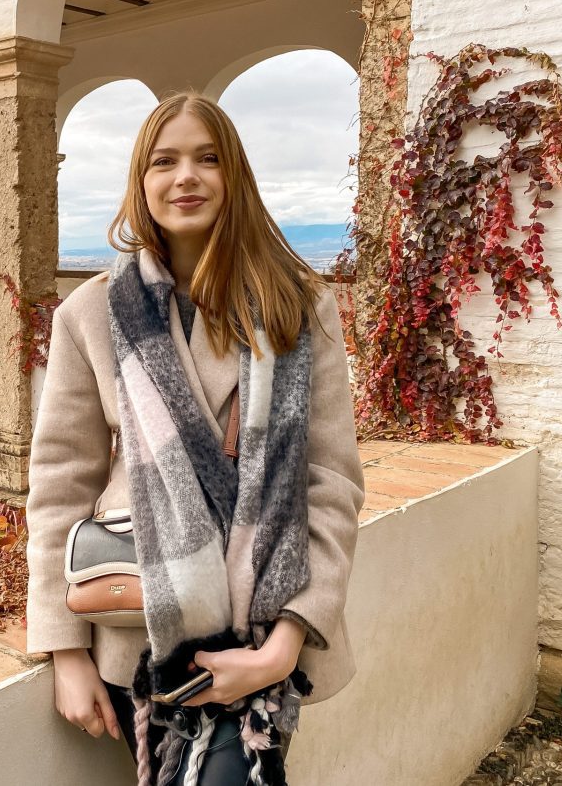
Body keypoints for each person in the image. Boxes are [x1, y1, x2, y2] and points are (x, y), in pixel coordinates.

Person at [25, 93, 366, 785]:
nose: (187, 176)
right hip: (139, 641)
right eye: (166, 160)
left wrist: (284, 645)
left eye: (207, 158)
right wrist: (63, 652)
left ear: (233, 176)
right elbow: (60, 485)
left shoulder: (297, 305)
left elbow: (330, 484)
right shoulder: (91, 314)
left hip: (265, 634)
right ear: (141, 182)